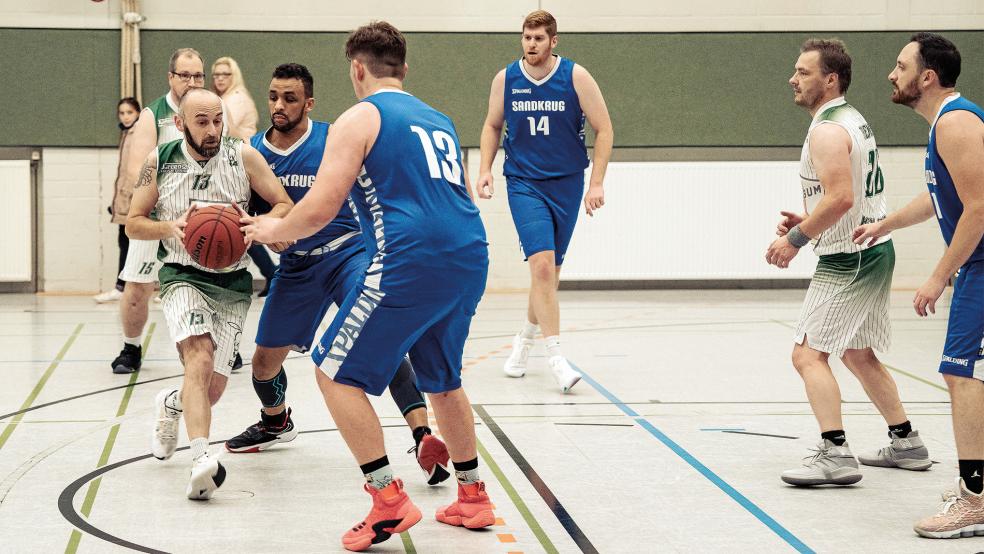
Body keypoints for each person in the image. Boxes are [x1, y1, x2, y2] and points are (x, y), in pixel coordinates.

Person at [243, 22, 495, 552]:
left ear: (357, 69)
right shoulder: (439, 118)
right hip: (469, 255)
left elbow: (322, 204)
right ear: (404, 68)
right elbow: (457, 193)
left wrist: (273, 229)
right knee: (443, 379)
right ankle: (473, 496)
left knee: (333, 373)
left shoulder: (360, 117)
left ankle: (387, 499)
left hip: (409, 258)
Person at [224, 62, 451, 486]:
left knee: (377, 336)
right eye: (273, 96)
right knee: (263, 364)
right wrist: (262, 231)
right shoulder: (253, 151)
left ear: (308, 103)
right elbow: (253, 212)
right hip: (296, 267)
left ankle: (423, 435)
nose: (279, 105)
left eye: (290, 98)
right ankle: (276, 422)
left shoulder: (334, 136)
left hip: (349, 253)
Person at [767, 39, 930, 487]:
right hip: (871, 248)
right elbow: (847, 194)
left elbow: (841, 197)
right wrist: (813, 219)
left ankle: (836, 453)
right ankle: (906, 442)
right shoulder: (851, 119)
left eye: (803, 72)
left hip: (849, 260)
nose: (793, 79)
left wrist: (798, 238)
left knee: (806, 356)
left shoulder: (826, 130)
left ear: (830, 79)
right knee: (858, 354)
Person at [127, 88, 292, 499]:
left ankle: (170, 403)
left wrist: (259, 224)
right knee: (198, 358)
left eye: (218, 119)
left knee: (211, 388)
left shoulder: (244, 156)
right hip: (182, 275)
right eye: (202, 121)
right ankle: (201, 459)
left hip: (233, 281)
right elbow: (132, 222)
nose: (213, 129)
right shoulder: (159, 161)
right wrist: (170, 227)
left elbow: (284, 204)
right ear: (181, 123)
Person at [855, 33, 984, 538]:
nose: (892, 73)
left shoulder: (955, 123)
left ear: (926, 77)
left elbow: (978, 208)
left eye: (900, 64)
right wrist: (884, 224)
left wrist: (937, 275)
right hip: (976, 263)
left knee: (960, 372)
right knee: (964, 374)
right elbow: (939, 197)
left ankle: (975, 499)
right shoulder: (945, 125)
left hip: (981, 264)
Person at [477, 9, 613, 393]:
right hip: (523, 183)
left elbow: (605, 129)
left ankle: (523, 340)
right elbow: (492, 124)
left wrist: (596, 183)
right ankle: (556, 358)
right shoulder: (507, 78)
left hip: (567, 183)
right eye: (526, 37)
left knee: (550, 275)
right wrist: (486, 168)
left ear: (553, 41)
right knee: (541, 267)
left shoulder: (575, 76)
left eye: (538, 38)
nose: (531, 44)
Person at [111, 48, 214, 374]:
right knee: (138, 289)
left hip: (201, 217)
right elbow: (138, 170)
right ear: (171, 77)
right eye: (186, 75)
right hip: (159, 219)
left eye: (198, 74)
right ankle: (131, 347)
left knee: (207, 286)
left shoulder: (212, 110)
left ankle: (218, 343)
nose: (193, 81)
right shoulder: (153, 115)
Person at [211, 56, 276, 295]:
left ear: (234, 75)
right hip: (232, 164)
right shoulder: (226, 98)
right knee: (238, 225)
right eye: (216, 74)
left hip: (240, 165)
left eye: (225, 74)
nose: (219, 78)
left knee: (240, 224)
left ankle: (271, 273)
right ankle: (270, 273)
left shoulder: (236, 99)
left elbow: (222, 131)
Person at [95, 97, 142, 304]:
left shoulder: (138, 134)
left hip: (133, 198)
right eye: (122, 113)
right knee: (125, 242)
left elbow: (136, 171)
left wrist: (134, 199)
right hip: (124, 198)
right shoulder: (126, 133)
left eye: (129, 113)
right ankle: (122, 286)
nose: (125, 117)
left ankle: (122, 286)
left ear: (138, 113)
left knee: (135, 243)